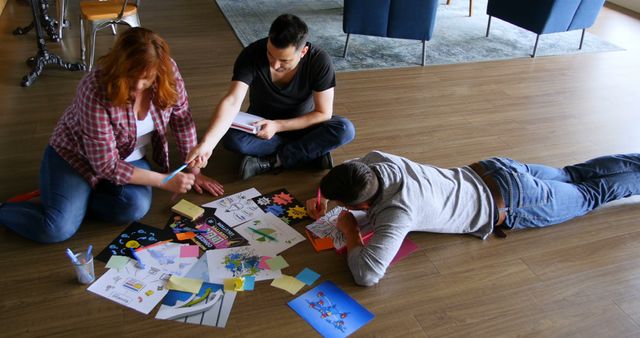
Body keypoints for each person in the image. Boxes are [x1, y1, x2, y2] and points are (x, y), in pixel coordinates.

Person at [0, 27, 224, 243]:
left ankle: (72, 198)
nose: (137, 84)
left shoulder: (169, 71)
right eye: (131, 76)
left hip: (128, 158)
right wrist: (164, 181)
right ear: (119, 66)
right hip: (75, 158)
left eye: (146, 78)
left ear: (159, 69)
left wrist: (195, 169)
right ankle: (20, 207)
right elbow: (106, 165)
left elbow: (181, 118)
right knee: (56, 229)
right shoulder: (93, 88)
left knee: (134, 207)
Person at [306, 150, 640, 286]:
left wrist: (349, 231)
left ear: (363, 207)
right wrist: (323, 196)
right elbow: (351, 168)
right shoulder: (376, 160)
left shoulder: (398, 212)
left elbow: (367, 274)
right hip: (496, 168)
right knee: (571, 173)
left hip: (514, 200)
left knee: (590, 195)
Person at [187, 13, 355, 180]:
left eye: (284, 61)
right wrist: (206, 144)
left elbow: (323, 113)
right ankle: (309, 152)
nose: (275, 65)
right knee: (231, 138)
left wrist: (278, 126)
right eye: (270, 55)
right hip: (259, 126)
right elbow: (232, 101)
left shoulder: (319, 61)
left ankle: (274, 160)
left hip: (302, 125)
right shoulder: (251, 54)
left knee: (345, 129)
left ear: (303, 52)